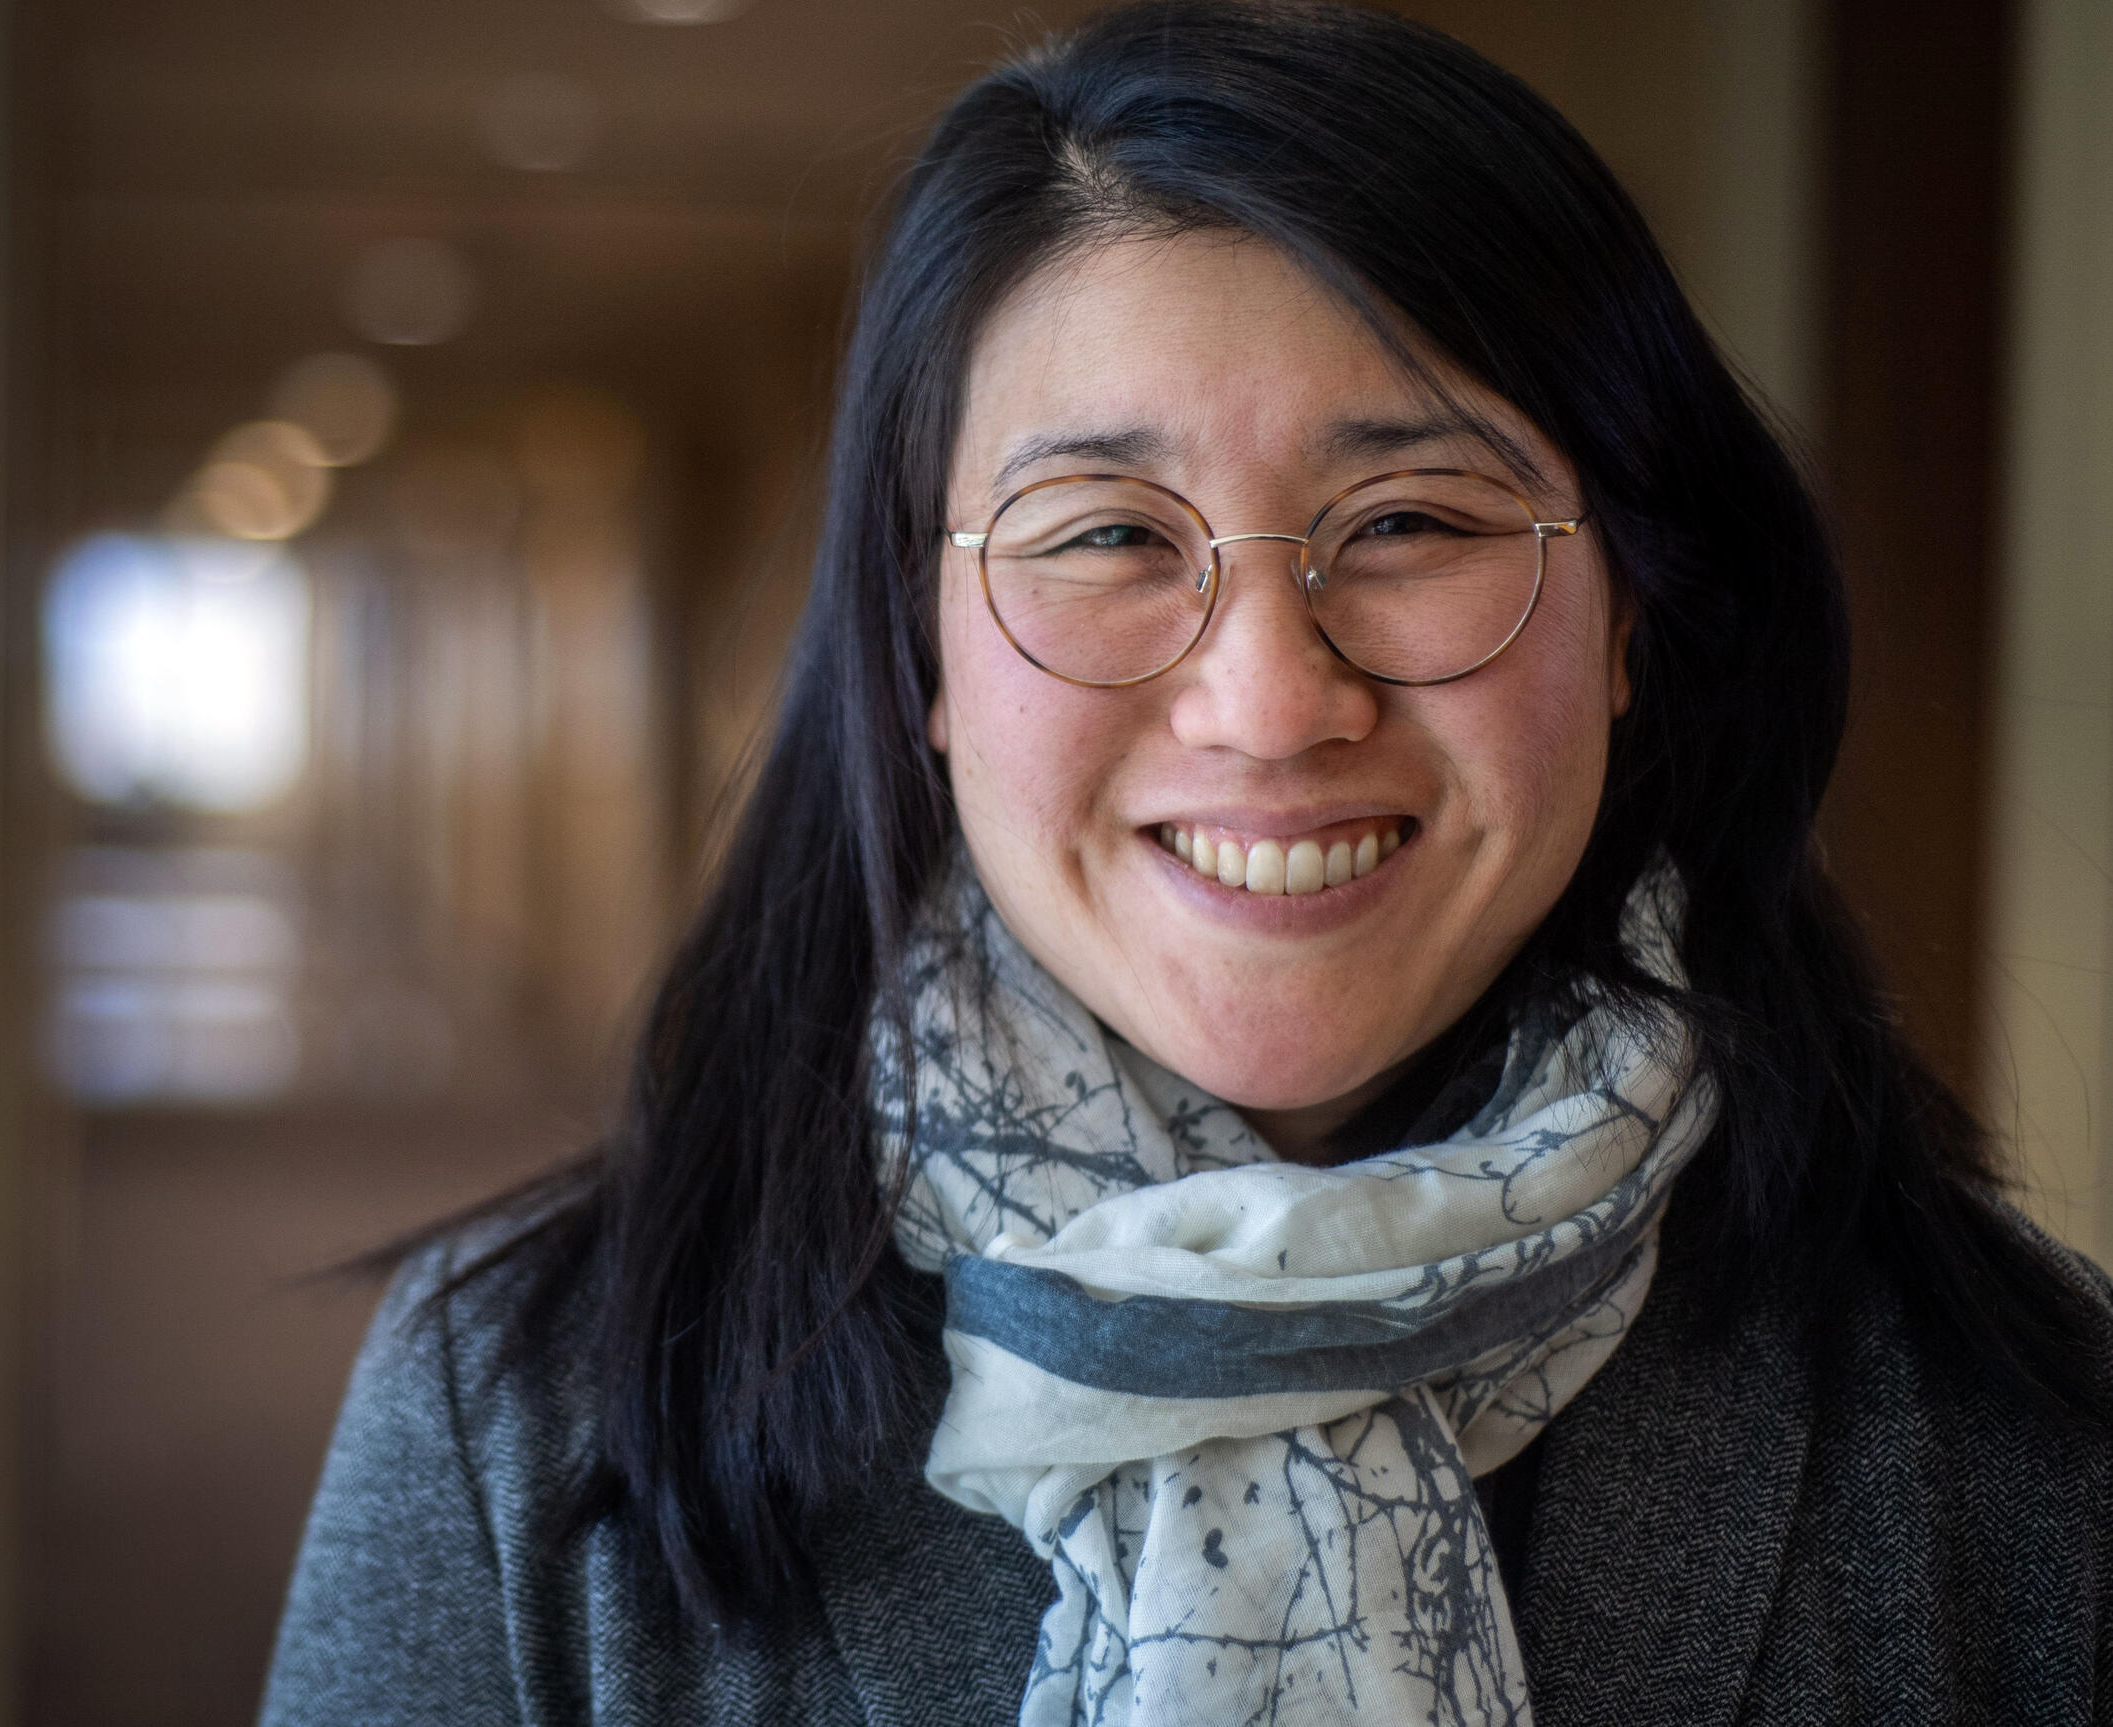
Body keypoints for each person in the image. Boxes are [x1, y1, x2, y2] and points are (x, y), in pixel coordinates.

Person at [259, 5, 2113, 1723]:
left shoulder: (2025, 1437)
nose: (1269, 703)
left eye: (1408, 521)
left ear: (1633, 613)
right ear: (921, 648)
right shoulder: (512, 1420)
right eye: (1108, 536)